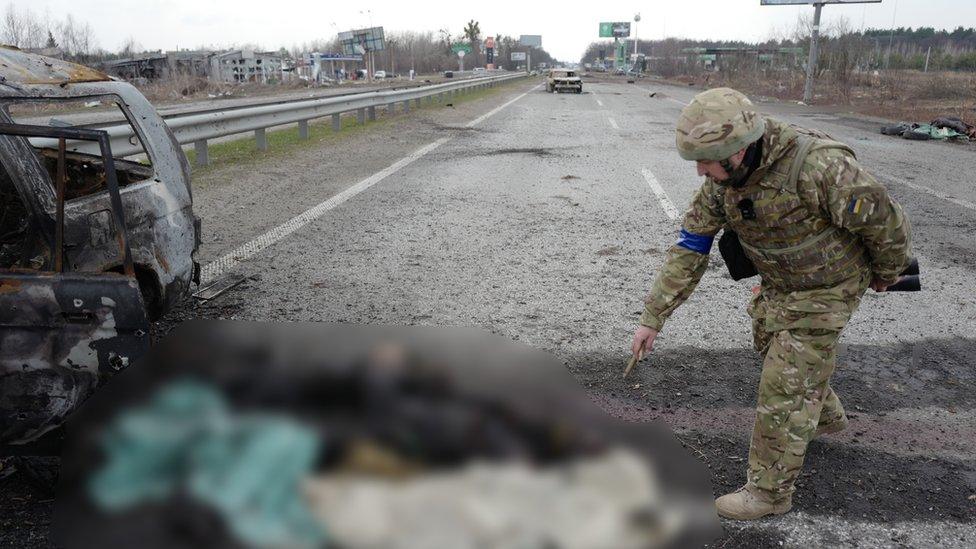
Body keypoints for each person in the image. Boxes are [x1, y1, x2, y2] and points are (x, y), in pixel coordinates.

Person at [631, 87, 912, 520]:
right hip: (782, 283)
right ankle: (824, 414)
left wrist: (886, 273)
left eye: (706, 161)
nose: (700, 171)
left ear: (738, 151)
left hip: (831, 285)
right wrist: (653, 318)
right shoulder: (720, 186)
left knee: (784, 382)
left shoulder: (820, 167)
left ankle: (769, 494)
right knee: (768, 343)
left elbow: (885, 222)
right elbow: (690, 248)